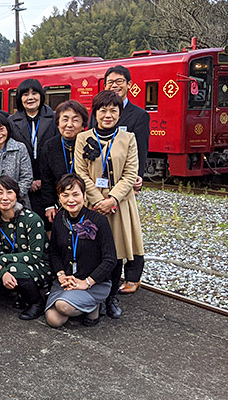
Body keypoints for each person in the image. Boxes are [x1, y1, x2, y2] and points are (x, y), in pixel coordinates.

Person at [74, 90, 143, 319]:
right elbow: (80, 172)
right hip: (91, 204)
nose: (108, 114)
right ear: (95, 112)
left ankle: (111, 297)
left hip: (120, 204)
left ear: (119, 113)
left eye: (113, 110)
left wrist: (112, 199)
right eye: (103, 110)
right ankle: (94, 297)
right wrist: (97, 200)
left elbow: (131, 173)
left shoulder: (128, 138)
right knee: (92, 251)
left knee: (116, 254)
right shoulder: (83, 138)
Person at [90, 65, 150, 294]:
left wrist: (138, 179)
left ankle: (133, 276)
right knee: (108, 234)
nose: (114, 85)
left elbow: (141, 150)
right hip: (100, 186)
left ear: (129, 85)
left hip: (125, 185)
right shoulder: (98, 112)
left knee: (130, 230)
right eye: (110, 82)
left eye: (119, 81)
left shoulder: (139, 115)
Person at [45, 174, 117, 328]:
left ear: (84, 196)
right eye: (65, 195)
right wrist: (61, 275)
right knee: (54, 320)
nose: (70, 200)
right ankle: (84, 306)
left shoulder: (99, 220)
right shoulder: (59, 219)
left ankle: (94, 306)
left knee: (63, 307)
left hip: (93, 283)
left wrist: (86, 282)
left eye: (75, 194)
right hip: (68, 281)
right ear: (59, 198)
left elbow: (110, 259)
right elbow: (54, 252)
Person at [0, 176, 51, 320]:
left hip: (39, 265)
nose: (4, 197)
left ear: (17, 195)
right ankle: (21, 294)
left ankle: (37, 303)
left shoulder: (32, 219)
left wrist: (3, 261)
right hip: (11, 265)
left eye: (9, 192)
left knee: (16, 271)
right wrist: (3, 273)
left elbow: (35, 255)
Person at [9, 79, 58, 219]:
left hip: (49, 185)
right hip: (22, 186)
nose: (30, 97)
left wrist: (44, 180)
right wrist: (27, 181)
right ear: (20, 98)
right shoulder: (11, 122)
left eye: (34, 93)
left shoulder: (54, 119)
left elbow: (56, 153)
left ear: (41, 95)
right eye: (25, 94)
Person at [39, 100, 90, 223]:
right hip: (60, 203)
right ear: (58, 123)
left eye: (75, 120)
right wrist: (49, 205)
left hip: (88, 201)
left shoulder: (90, 143)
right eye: (65, 119)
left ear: (83, 125)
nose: (69, 124)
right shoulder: (50, 146)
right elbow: (46, 180)